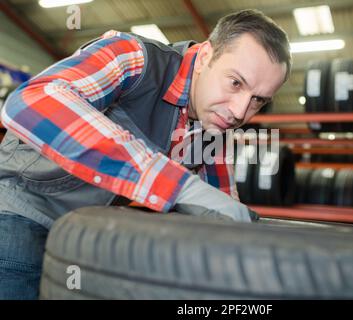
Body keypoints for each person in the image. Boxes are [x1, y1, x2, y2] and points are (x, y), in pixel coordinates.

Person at [0, 9, 291, 299]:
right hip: (19, 208)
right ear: (205, 57)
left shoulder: (213, 122)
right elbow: (31, 101)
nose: (240, 111)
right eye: (236, 83)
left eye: (258, 100)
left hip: (84, 228)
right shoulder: (133, 57)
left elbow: (221, 206)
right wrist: (177, 186)